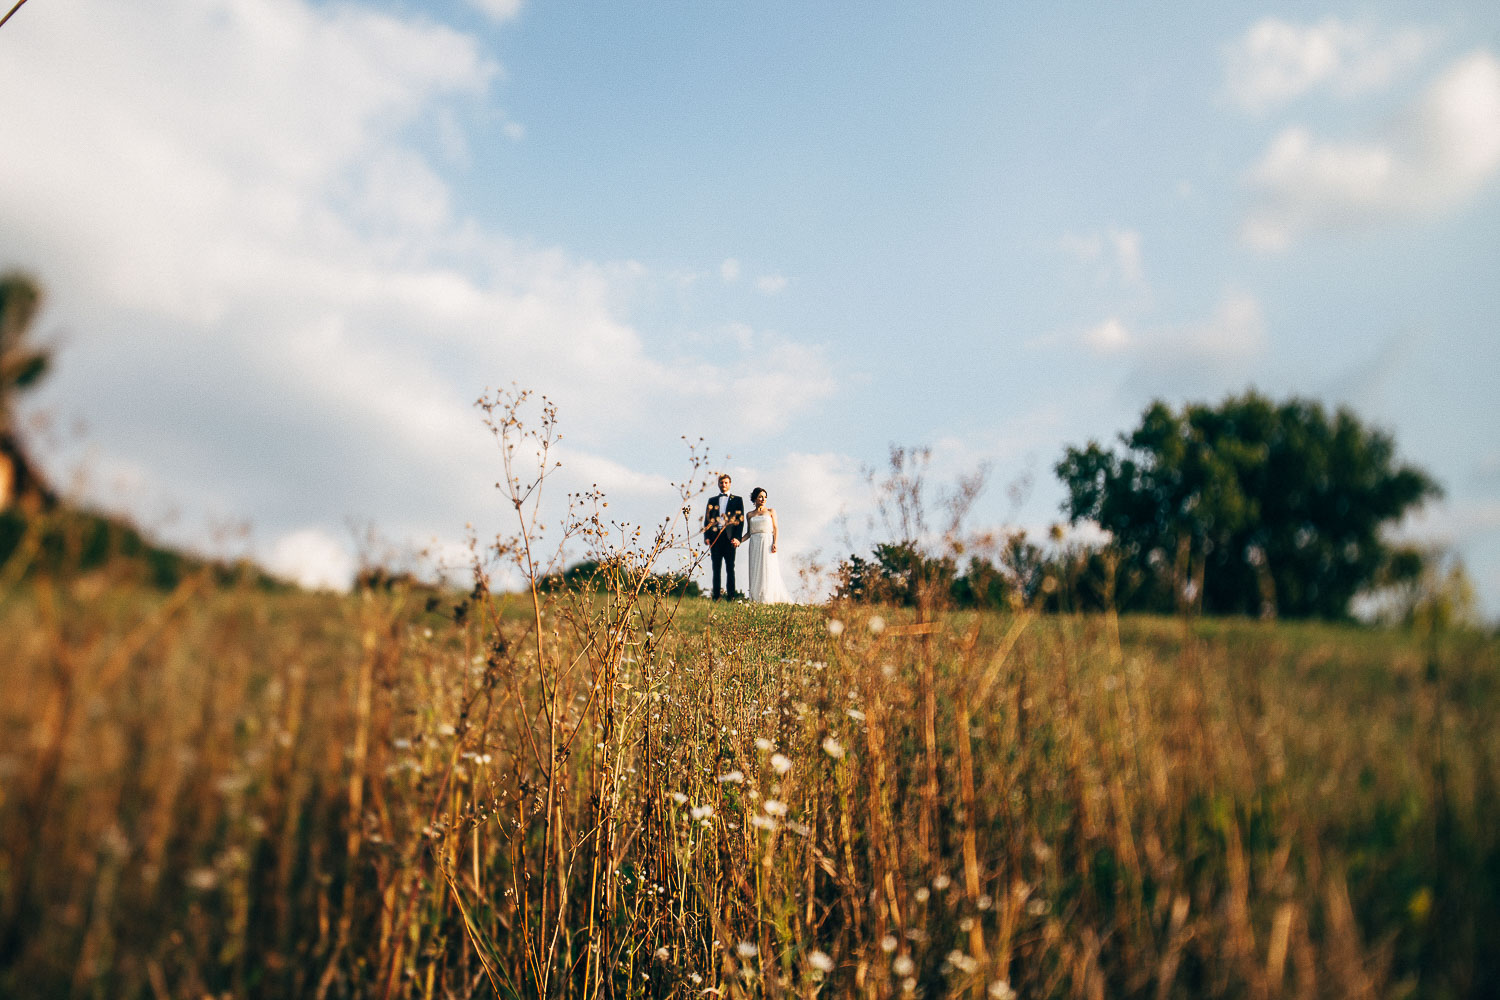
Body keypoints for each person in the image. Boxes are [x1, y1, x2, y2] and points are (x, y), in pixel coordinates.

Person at [743, 487, 794, 604]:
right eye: (760, 497)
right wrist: (739, 541)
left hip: (767, 541)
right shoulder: (750, 514)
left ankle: (768, 596)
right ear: (755, 498)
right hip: (754, 543)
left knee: (768, 567)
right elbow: (749, 533)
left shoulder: (771, 511)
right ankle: (756, 597)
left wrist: (775, 543)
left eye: (765, 497)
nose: (763, 499)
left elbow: (775, 528)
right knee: (756, 569)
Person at [702, 473, 744, 600]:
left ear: (730, 484)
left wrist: (738, 538)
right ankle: (716, 596)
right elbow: (707, 519)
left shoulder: (737, 500)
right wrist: (706, 536)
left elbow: (740, 521)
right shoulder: (712, 500)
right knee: (716, 568)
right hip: (715, 537)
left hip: (730, 537)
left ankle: (731, 596)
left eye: (726, 482)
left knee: (730, 567)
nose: (723, 485)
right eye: (721, 483)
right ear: (718, 484)